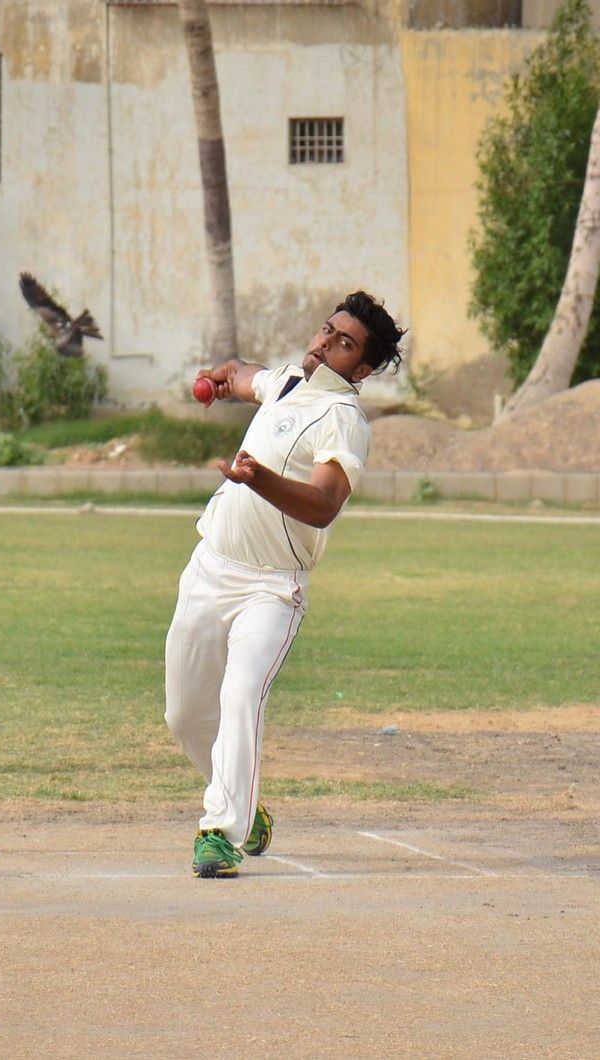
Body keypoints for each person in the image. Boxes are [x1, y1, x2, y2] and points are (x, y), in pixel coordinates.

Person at [166, 291, 406, 878]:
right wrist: (222, 377)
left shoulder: (344, 420)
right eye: (327, 330)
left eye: (344, 343)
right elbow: (245, 374)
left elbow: (323, 504)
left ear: (362, 369)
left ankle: (220, 832)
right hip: (209, 568)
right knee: (184, 717)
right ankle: (247, 808)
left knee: (241, 695)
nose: (325, 343)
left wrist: (259, 480)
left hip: (271, 589)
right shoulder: (287, 383)